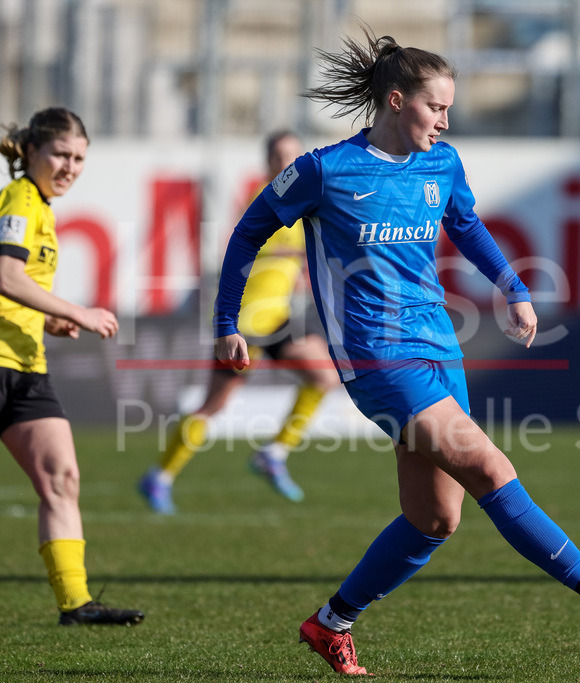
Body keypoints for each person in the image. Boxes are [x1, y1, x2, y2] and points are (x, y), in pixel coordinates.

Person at [212, 30, 580, 676]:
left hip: (440, 346)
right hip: (377, 360)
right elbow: (248, 232)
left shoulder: (441, 165)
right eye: (435, 107)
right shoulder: (325, 170)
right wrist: (228, 321)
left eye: (448, 109)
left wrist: (514, 289)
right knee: (491, 467)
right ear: (396, 101)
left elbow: (467, 225)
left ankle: (330, 622)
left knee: (435, 519)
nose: (445, 121)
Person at [137, 130, 341, 514]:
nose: (288, 164)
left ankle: (274, 453)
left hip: (276, 317)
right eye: (280, 157)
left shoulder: (300, 199)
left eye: (294, 156)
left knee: (325, 377)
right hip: (246, 321)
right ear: (267, 164)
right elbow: (278, 244)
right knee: (213, 406)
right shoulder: (266, 197)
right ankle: (159, 476)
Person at [0, 108, 144, 626]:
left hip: (25, 366)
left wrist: (49, 323)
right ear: (32, 152)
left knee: (62, 477)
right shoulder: (19, 197)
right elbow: (7, 276)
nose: (70, 166)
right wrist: (75, 311)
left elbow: (18, 291)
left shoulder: (40, 205)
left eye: (80, 158)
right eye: (61, 154)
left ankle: (76, 604)